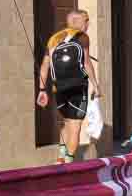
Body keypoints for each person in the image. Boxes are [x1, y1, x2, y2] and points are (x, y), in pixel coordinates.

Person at [37, 10, 97, 163]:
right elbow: (86, 63)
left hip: (59, 89)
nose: (88, 24)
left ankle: (60, 158)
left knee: (66, 123)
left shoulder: (54, 39)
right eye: (86, 20)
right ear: (78, 22)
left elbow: (44, 66)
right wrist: (96, 86)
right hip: (78, 88)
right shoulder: (83, 37)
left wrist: (42, 90)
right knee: (75, 126)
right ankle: (68, 162)